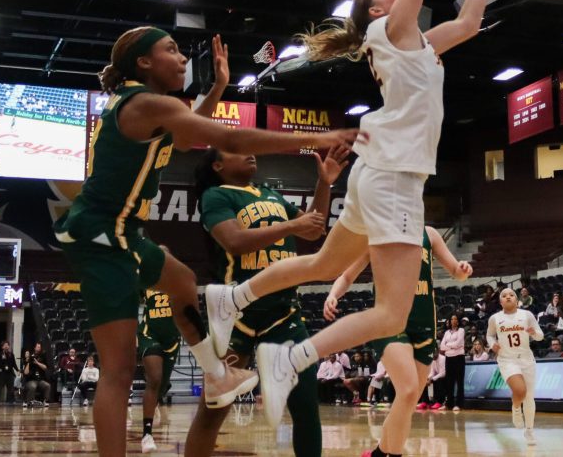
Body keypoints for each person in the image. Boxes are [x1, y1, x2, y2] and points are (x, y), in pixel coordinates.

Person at [204, 0, 498, 447]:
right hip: (393, 176)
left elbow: (469, 23)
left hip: (377, 170)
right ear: (374, 13)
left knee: (322, 265)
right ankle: (293, 358)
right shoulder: (392, 30)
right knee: (389, 312)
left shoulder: (413, 41)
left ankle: (232, 296)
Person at [54, 33, 356, 457]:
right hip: (101, 235)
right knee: (118, 371)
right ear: (143, 63)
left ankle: (215, 374)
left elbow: (181, 139)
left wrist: (216, 89)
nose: (181, 59)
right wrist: (318, 138)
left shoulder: (145, 103)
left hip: (122, 231)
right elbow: (228, 141)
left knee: (180, 279)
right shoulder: (149, 104)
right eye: (171, 51)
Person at [186, 144, 349, 457]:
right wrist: (291, 226)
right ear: (218, 166)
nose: (250, 153)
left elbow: (313, 230)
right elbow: (233, 241)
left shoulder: (269, 194)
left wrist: (324, 183)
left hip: (283, 315)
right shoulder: (217, 196)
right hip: (236, 318)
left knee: (305, 408)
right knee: (212, 411)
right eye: (237, 150)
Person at [324, 225, 473, 455]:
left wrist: (462, 270)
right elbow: (347, 275)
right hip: (388, 322)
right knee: (408, 389)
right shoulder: (374, 233)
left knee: (408, 400)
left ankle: (379, 452)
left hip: (424, 326)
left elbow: (455, 270)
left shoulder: (429, 234)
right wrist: (333, 295)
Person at [487, 288, 544, 446]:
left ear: (516, 299)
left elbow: (541, 336)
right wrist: (493, 344)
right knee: (520, 390)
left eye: (511, 295)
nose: (508, 297)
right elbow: (489, 335)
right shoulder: (495, 318)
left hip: (526, 359)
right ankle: (516, 407)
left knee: (529, 396)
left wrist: (534, 333)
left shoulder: (527, 315)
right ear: (500, 301)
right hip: (507, 359)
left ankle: (529, 431)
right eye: (504, 296)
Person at [137, 288, 181, 454]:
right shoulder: (147, 278)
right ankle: (147, 434)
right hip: (149, 335)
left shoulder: (177, 279)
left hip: (172, 340)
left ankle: (157, 397)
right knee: (154, 379)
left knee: (161, 387)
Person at [439, 314, 466, 412]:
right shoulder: (446, 332)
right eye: (451, 319)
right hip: (449, 359)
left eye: (455, 319)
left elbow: (458, 343)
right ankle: (449, 404)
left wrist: (448, 346)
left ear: (458, 321)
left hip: (459, 358)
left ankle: (459, 404)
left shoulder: (461, 331)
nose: (453, 320)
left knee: (459, 382)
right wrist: (452, 347)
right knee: (449, 382)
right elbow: (442, 346)